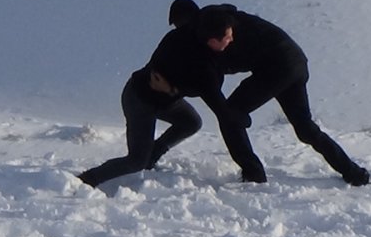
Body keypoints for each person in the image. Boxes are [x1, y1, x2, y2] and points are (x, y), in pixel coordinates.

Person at [187, 0, 371, 186]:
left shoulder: (226, 33)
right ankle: (353, 173)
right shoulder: (226, 20)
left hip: (280, 67)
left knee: (230, 114)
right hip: (296, 62)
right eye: (226, 39)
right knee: (305, 128)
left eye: (227, 38)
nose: (230, 39)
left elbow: (226, 68)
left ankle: (254, 175)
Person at [77, 18, 248, 188]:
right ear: (213, 41)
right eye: (227, 38)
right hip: (140, 100)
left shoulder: (200, 43)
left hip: (167, 99)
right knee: (136, 161)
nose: (232, 40)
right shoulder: (197, 65)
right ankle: (88, 179)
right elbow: (216, 102)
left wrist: (172, 91)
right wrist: (242, 119)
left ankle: (153, 154)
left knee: (191, 122)